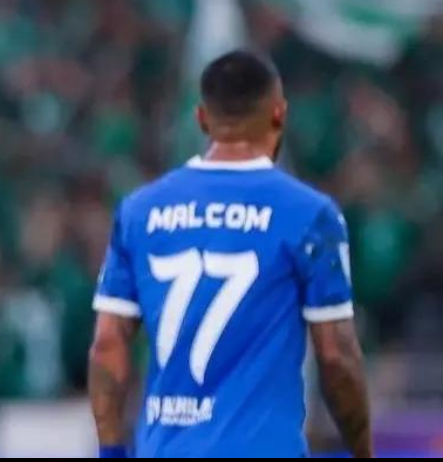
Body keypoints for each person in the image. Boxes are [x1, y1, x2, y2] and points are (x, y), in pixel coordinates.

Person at [88, 50, 372, 458]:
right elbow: (336, 356)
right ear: (279, 114)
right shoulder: (308, 214)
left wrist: (112, 453)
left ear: (202, 119)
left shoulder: (139, 212)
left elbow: (107, 345)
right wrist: (362, 451)